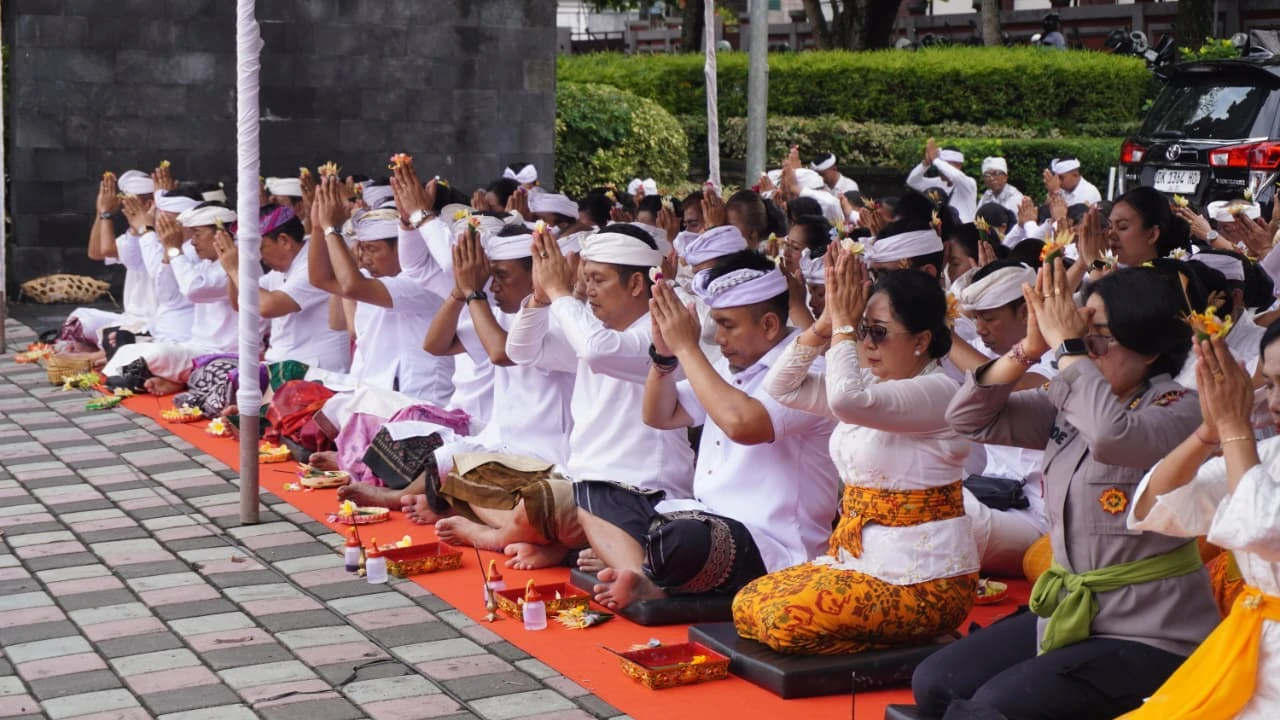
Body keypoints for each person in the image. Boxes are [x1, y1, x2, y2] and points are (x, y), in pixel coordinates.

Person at [912, 263, 1219, 720]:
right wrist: (1029, 348)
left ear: (1150, 349)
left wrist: (1070, 349)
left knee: (992, 710)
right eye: (1082, 336)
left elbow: (1114, 437)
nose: (1087, 352)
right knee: (935, 683)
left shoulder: (1179, 408)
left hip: (1151, 634)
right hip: (1072, 610)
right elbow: (969, 420)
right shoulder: (1073, 398)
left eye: (1099, 339)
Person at [732, 252, 979, 655]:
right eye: (863, 330)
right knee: (747, 605)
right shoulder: (866, 384)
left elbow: (846, 400)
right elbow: (782, 389)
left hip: (926, 580)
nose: (866, 343)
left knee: (782, 621)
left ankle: (917, 639)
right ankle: (898, 639)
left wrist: (843, 330)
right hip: (860, 564)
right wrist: (825, 325)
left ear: (921, 341)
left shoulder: (939, 391)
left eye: (878, 332)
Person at [577, 253, 840, 610]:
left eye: (728, 326)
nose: (718, 339)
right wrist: (665, 355)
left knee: (682, 539)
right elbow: (659, 414)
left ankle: (647, 572)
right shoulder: (732, 367)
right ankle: (649, 569)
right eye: (715, 325)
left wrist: (687, 347)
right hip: (708, 518)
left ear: (768, 326)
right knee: (605, 492)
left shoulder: (811, 370)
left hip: (774, 547)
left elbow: (743, 424)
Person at [1118, 329, 1280, 719]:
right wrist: (1209, 432)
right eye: (1271, 384)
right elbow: (1158, 504)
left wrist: (1235, 430)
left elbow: (1261, 528)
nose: (1275, 403)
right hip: (1256, 651)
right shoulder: (1270, 454)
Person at [505, 224, 696, 499]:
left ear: (635, 284)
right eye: (587, 279)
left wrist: (559, 292)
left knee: (527, 511)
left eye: (598, 279)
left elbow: (597, 351)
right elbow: (522, 351)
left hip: (644, 490)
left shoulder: (664, 333)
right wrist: (540, 298)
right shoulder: (593, 329)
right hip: (587, 482)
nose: (589, 290)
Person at [309, 176, 455, 406]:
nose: (364, 260)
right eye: (362, 249)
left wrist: (331, 229)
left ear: (403, 245)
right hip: (373, 394)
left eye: (372, 249)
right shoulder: (367, 278)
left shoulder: (424, 283)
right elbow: (320, 279)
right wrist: (318, 227)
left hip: (418, 399)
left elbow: (351, 286)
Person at [951, 261, 1054, 574]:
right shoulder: (990, 354)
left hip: (1037, 517)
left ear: (1025, 312)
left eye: (989, 318)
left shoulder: (1060, 361)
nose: (980, 328)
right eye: (976, 318)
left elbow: (1014, 385)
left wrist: (946, 337)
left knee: (948, 518)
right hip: (989, 494)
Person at [103, 203, 240, 391]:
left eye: (197, 234)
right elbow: (167, 294)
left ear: (221, 235)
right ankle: (171, 379)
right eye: (191, 235)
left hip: (225, 353)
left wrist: (175, 251)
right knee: (128, 350)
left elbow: (193, 289)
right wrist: (169, 250)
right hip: (196, 346)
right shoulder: (206, 265)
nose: (192, 241)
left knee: (159, 354)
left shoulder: (237, 267)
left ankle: (167, 379)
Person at [215, 203, 350, 372]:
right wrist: (232, 269)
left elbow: (268, 306)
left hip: (313, 371)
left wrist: (236, 269)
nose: (259, 257)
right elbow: (240, 303)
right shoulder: (282, 268)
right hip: (283, 364)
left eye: (260, 248)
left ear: (284, 241)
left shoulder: (316, 263)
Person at [65, 170, 159, 350]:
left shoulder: (156, 234)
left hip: (151, 323)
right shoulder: (134, 233)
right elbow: (95, 252)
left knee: (117, 339)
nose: (125, 209)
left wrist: (107, 214)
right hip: (129, 318)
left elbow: (106, 249)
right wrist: (100, 212)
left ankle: (96, 354)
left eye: (130, 203)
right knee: (80, 319)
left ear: (149, 204)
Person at [907, 138, 978, 223]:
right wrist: (925, 164)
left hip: (964, 232)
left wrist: (936, 160)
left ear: (959, 165)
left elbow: (955, 175)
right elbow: (912, 181)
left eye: (945, 164)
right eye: (940, 163)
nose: (940, 168)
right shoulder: (936, 182)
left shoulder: (969, 182)